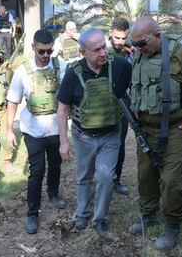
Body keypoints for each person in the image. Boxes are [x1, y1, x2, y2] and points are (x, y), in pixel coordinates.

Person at [127, 16, 182, 251]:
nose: (137, 49)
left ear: (158, 36)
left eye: (142, 43)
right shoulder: (140, 53)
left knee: (173, 180)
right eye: (134, 44)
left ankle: (172, 225)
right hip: (146, 129)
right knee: (145, 176)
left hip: (177, 128)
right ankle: (149, 215)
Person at [57, 28, 131, 236]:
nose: (103, 53)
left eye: (103, 47)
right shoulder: (73, 74)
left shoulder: (120, 66)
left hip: (111, 134)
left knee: (106, 176)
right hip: (83, 137)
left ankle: (99, 219)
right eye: (96, 49)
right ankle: (82, 212)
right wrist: (64, 142)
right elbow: (62, 109)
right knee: (84, 176)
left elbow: (138, 78)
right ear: (83, 52)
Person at [6, 29, 67, 234]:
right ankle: (32, 213)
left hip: (56, 130)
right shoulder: (22, 71)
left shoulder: (61, 66)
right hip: (32, 131)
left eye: (49, 51)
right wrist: (9, 130)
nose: (46, 56)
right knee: (37, 171)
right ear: (33, 48)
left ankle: (54, 193)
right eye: (42, 52)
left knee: (56, 165)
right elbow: (12, 102)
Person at [108, 17, 132, 195]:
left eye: (123, 38)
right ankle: (102, 179)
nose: (120, 42)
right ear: (110, 33)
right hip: (103, 103)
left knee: (120, 145)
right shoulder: (100, 49)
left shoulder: (130, 51)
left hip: (123, 103)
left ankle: (116, 179)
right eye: (117, 38)